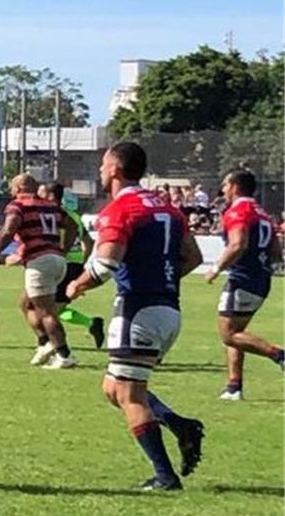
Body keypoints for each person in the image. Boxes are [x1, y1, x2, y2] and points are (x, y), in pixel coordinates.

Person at [65, 142, 204, 491]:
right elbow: (193, 258)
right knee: (113, 388)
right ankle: (179, 424)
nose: (99, 170)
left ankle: (165, 476)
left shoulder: (121, 208)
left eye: (102, 164)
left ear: (115, 168)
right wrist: (160, 279)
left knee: (130, 396)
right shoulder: (167, 208)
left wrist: (76, 285)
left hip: (137, 310)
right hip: (168, 308)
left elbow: (106, 263)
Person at [204, 169, 284, 401]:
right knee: (237, 332)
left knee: (229, 335)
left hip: (242, 279)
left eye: (225, 185)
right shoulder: (263, 213)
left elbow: (238, 244)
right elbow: (276, 253)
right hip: (262, 279)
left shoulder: (238, 210)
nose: (223, 190)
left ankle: (279, 355)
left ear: (236, 187)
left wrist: (216, 268)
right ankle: (233, 386)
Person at [0, 174, 76, 369]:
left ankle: (64, 354)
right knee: (26, 302)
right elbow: (71, 225)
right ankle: (44, 343)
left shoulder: (18, 205)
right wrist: (63, 249)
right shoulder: (49, 205)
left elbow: (9, 228)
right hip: (57, 260)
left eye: (12, 187)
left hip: (40, 261)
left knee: (46, 312)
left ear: (21, 187)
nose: (11, 191)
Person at [39, 182, 105, 349]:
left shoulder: (54, 216)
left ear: (50, 196)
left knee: (49, 309)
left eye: (41, 194)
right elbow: (89, 242)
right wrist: (82, 264)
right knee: (55, 309)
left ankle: (53, 345)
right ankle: (91, 324)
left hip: (61, 265)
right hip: (74, 265)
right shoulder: (74, 216)